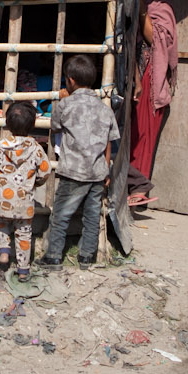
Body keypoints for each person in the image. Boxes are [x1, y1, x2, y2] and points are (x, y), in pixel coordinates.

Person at [44, 54, 119, 268]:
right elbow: (109, 141)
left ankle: (54, 256)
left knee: (60, 215)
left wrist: (62, 99)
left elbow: (55, 126)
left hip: (73, 172)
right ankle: (87, 257)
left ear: (71, 80)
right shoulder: (105, 109)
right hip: (97, 172)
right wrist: (106, 170)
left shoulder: (66, 105)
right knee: (92, 215)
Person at [128, 0, 178, 208]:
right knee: (130, 131)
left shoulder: (161, 4)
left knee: (145, 131)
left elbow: (155, 40)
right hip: (130, 74)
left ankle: (139, 190)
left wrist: (143, 12)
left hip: (148, 75)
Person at [0, 101, 51, 279]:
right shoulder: (36, 149)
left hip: (3, 200)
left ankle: (5, 254)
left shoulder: (0, 148)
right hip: (25, 202)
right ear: (33, 125)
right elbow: (45, 170)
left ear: (7, 124)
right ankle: (23, 270)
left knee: (2, 225)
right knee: (23, 233)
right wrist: (35, 183)